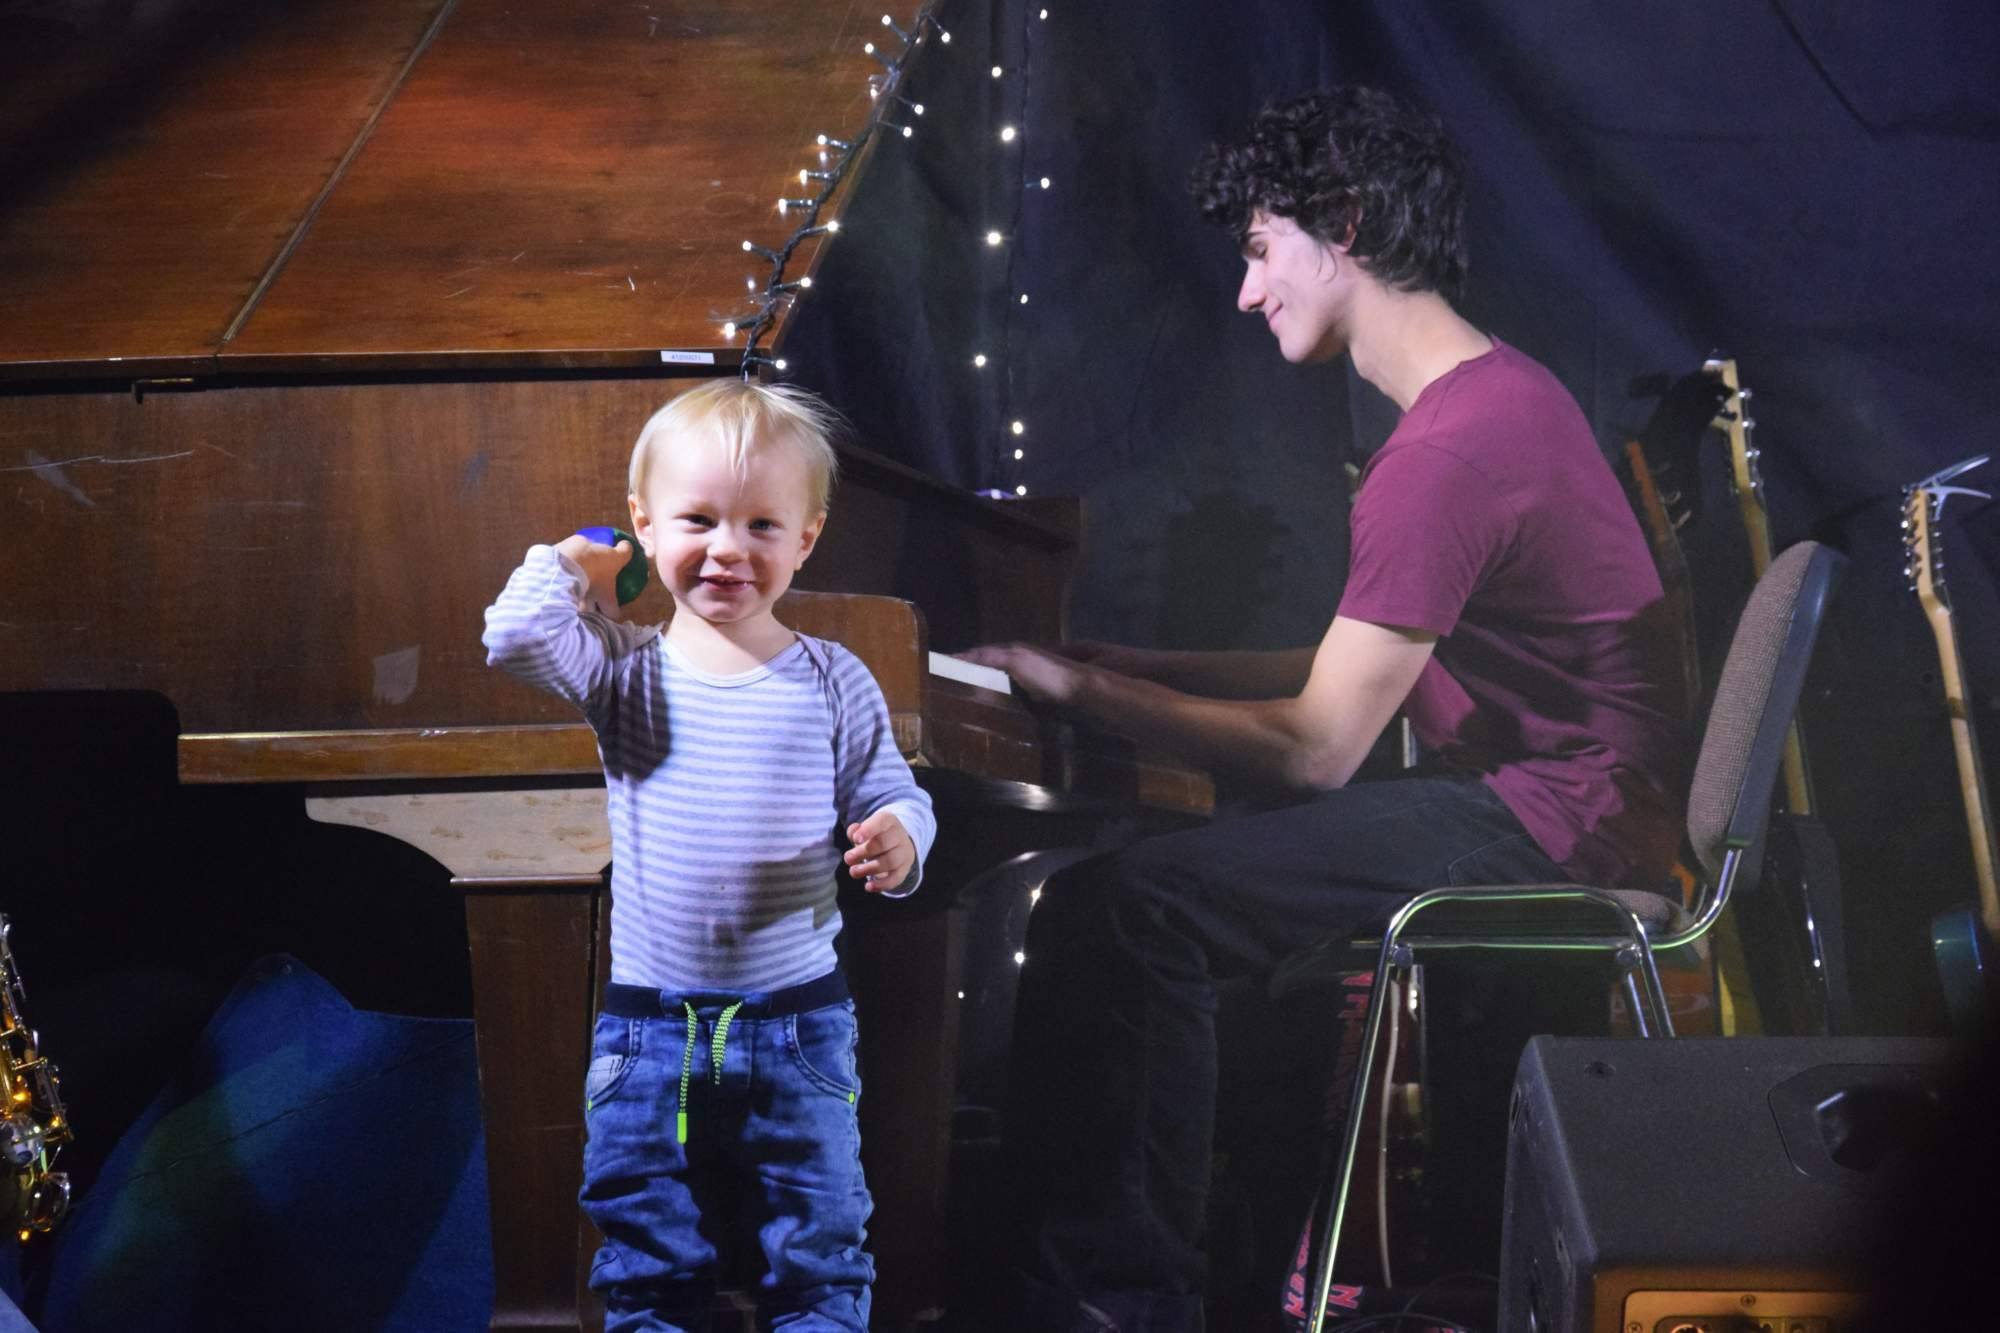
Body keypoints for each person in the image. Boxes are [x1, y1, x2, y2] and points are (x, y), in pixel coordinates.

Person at [961, 86, 1690, 1332]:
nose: (1247, 293)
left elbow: (1315, 749)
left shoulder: (1442, 458)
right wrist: (1144, 664)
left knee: (1120, 911)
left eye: (1259, 250)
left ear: (1341, 223)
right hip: (1570, 796)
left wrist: (1087, 692)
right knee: (1192, 894)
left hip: (1551, 818)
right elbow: (1358, 661)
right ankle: (1226, 1291)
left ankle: (1111, 1311)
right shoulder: (1498, 394)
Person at [482, 378, 936, 1332]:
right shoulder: (622, 667)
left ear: (806, 538)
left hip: (801, 1025)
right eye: (698, 520)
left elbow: (895, 792)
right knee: (647, 1259)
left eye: (762, 525)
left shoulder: (832, 679)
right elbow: (516, 635)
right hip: (649, 1030)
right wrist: (572, 559)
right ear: (645, 526)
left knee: (820, 1253)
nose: (729, 548)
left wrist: (901, 836)